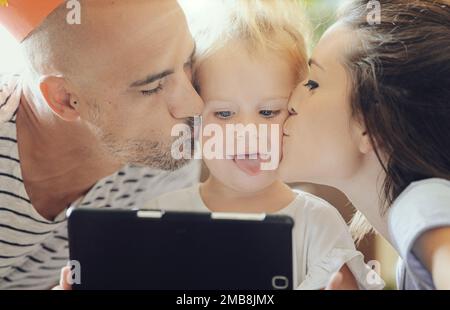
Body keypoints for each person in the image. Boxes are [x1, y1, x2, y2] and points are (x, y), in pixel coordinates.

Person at [146, 0, 383, 290]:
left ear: (296, 109)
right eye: (224, 114)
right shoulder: (160, 216)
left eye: (269, 112)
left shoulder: (318, 225)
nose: (248, 133)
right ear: (195, 119)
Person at [0, 0, 203, 289]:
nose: (194, 105)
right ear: (64, 98)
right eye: (151, 87)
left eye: (188, 64)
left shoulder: (162, 157)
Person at [280, 0, 450, 289]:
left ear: (371, 124)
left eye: (312, 84)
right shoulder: (409, 266)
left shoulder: (421, 202)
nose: (290, 101)